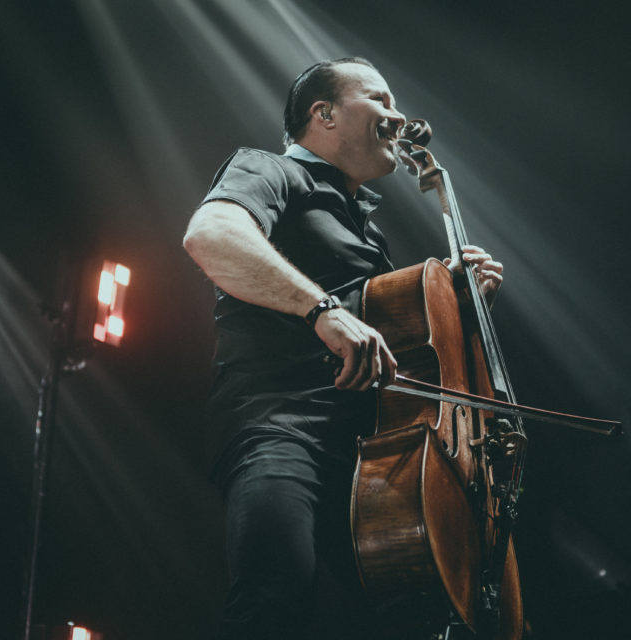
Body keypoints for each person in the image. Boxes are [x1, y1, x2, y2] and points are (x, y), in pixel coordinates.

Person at [183, 57, 504, 639]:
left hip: (369, 449)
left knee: (421, 615)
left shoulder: (368, 231)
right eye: (380, 99)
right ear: (323, 114)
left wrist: (456, 300)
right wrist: (321, 309)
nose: (397, 115)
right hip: (281, 426)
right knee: (276, 595)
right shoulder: (270, 169)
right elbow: (211, 236)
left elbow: (395, 341)